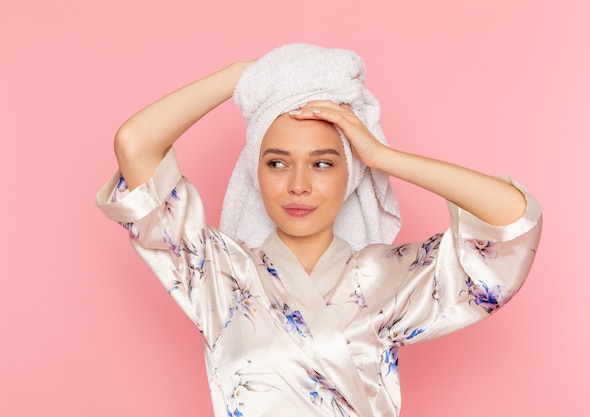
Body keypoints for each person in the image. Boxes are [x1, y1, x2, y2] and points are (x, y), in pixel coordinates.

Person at [95, 44, 542, 417]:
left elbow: (511, 222)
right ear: (256, 173)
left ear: (349, 176)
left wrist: (384, 158)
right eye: (277, 162)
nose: (298, 185)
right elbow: (134, 144)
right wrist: (245, 78)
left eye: (323, 163)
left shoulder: (389, 278)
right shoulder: (219, 275)